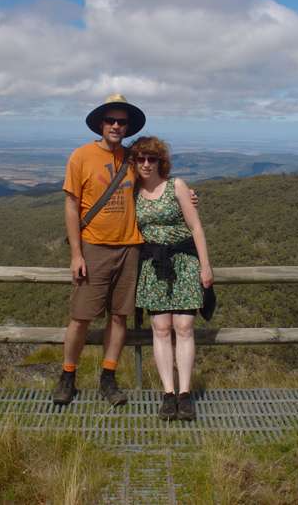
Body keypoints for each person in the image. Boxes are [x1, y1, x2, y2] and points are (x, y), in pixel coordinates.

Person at [52, 94, 145, 406]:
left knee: (119, 317)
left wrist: (188, 195)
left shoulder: (134, 158)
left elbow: (157, 185)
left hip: (130, 247)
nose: (117, 125)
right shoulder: (81, 156)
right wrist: (76, 254)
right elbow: (71, 205)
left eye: (122, 121)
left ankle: (108, 377)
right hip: (93, 247)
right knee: (80, 317)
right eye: (111, 120)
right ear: (101, 124)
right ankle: (67, 375)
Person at [131, 136, 214, 421]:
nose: (145, 163)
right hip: (154, 265)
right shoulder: (132, 191)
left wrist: (206, 266)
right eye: (140, 158)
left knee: (185, 325)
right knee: (161, 327)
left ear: (160, 161)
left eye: (151, 158)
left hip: (183, 262)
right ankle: (168, 393)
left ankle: (185, 393)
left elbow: (196, 226)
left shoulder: (176, 186)